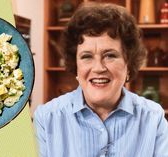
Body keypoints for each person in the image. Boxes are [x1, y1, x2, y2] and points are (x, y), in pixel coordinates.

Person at [34, 2, 168, 157]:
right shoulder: (46, 118)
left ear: (128, 64)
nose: (98, 68)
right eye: (86, 57)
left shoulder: (153, 118)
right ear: (75, 65)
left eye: (110, 55)